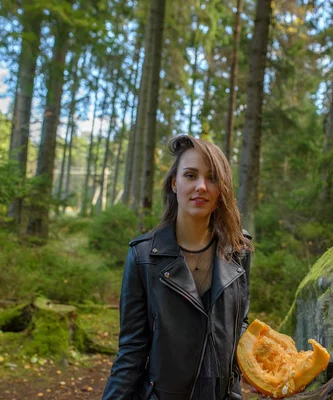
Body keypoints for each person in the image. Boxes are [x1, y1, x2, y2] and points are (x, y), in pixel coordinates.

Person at [102, 135, 253, 400]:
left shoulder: (238, 250)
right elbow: (131, 351)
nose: (201, 187)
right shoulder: (143, 256)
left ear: (223, 189)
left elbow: (238, 323)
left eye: (213, 178)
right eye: (190, 175)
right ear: (174, 183)